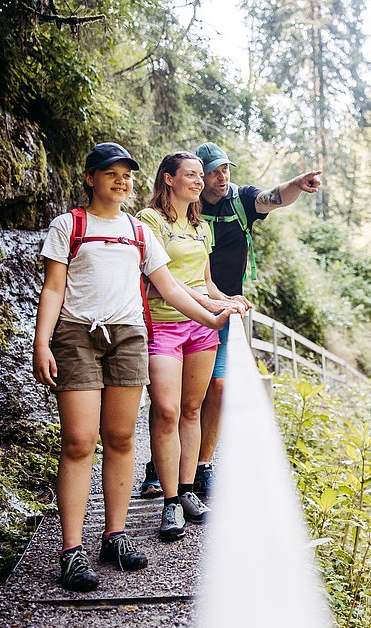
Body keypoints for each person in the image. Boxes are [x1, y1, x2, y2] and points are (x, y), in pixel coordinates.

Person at [33, 142, 236, 592]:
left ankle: (114, 536)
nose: (121, 181)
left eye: (126, 174)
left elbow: (172, 288)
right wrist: (41, 343)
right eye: (111, 173)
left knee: (122, 438)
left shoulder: (137, 230)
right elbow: (53, 289)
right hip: (76, 335)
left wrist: (215, 316)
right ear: (90, 177)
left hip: (129, 337)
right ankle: (70, 550)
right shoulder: (70, 225)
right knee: (80, 441)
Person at [140, 141, 321, 500]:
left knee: (216, 389)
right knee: (168, 401)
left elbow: (273, 197)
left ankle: (201, 468)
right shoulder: (170, 218)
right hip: (175, 313)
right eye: (210, 173)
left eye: (225, 170)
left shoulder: (238, 202)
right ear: (186, 178)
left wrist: (297, 184)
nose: (221, 177)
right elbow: (163, 276)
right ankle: (159, 468)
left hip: (216, 312)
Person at [137, 151, 247, 541]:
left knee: (191, 408)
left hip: (201, 330)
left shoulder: (201, 226)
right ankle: (168, 502)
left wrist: (227, 299)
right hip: (164, 324)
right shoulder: (149, 221)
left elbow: (206, 282)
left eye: (202, 175)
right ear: (168, 179)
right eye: (191, 175)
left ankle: (186, 492)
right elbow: (165, 281)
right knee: (165, 410)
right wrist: (211, 307)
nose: (200, 181)